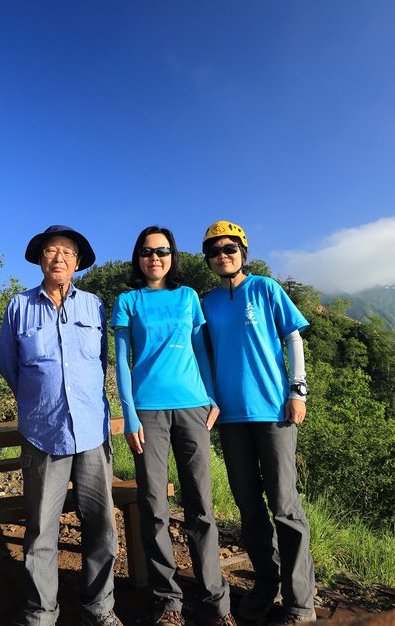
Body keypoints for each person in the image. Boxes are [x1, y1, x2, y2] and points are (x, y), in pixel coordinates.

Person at [0, 225, 122, 626]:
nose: (59, 259)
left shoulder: (94, 306)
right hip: (42, 431)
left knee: (101, 526)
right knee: (40, 532)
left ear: (78, 263)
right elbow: (8, 365)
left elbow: (101, 361)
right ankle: (40, 614)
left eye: (68, 253)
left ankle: (99, 608)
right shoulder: (19, 306)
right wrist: (40, 402)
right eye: (51, 251)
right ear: (39, 259)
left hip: (91, 431)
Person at [111, 226, 235, 626]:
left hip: (193, 408)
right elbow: (123, 362)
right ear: (138, 258)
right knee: (154, 506)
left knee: (200, 505)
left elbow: (201, 349)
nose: (154, 258)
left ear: (172, 256)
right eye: (147, 252)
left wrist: (211, 395)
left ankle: (217, 601)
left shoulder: (188, 297)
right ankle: (168, 601)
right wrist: (129, 413)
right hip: (148, 412)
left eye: (162, 251)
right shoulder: (128, 301)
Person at [199, 220, 317, 624]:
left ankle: (301, 604)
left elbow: (293, 336)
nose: (222, 256)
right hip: (229, 417)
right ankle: (266, 584)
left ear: (242, 251)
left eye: (229, 248)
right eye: (214, 251)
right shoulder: (207, 302)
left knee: (285, 506)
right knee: (250, 507)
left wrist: (297, 390)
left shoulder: (265, 288)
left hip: (273, 411)